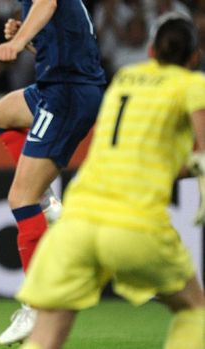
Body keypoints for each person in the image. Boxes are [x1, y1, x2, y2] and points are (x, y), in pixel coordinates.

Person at [16, 14, 205, 349]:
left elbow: (132, 151)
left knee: (46, 335)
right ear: (194, 56)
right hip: (135, 225)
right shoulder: (193, 85)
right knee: (195, 311)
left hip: (78, 222)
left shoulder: (125, 78)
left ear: (150, 51)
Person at [0, 0, 106, 345]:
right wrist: (27, 40)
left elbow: (47, 3)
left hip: (66, 94)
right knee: (0, 113)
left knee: (20, 198)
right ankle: (48, 202)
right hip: (55, 87)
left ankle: (38, 303)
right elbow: (65, 41)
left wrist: (16, 39)